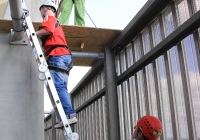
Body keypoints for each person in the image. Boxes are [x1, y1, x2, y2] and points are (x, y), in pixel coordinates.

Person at [37, 0, 78, 128]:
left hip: (59, 56)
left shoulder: (49, 17)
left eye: (43, 11)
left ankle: (70, 115)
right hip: (64, 56)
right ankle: (67, 116)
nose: (43, 15)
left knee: (58, 87)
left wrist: (34, 34)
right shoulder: (56, 24)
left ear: (48, 8)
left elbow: (48, 30)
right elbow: (53, 40)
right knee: (62, 88)